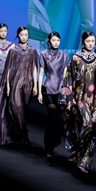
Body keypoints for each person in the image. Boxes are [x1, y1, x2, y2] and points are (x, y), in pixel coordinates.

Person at [59, 31, 96, 173]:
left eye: (93, 41)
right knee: (85, 125)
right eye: (88, 41)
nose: (91, 44)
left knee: (93, 130)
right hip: (80, 98)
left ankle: (85, 162)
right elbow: (69, 78)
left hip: (95, 99)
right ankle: (77, 151)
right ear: (83, 42)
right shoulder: (76, 58)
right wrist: (69, 100)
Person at [0, 27, 38, 146]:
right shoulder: (13, 50)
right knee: (16, 107)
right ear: (18, 35)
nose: (24, 37)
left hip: (28, 82)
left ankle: (22, 134)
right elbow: (9, 69)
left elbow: (34, 68)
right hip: (15, 82)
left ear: (28, 36)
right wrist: (8, 86)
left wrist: (35, 85)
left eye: (26, 35)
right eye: (22, 35)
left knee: (24, 110)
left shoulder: (32, 51)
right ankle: (21, 133)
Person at [37, 31, 70, 159]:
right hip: (48, 88)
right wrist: (39, 92)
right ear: (49, 41)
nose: (56, 42)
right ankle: (49, 147)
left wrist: (67, 91)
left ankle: (56, 140)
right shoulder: (43, 55)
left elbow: (65, 74)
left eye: (58, 40)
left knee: (61, 119)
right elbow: (41, 74)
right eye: (53, 40)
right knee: (52, 118)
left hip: (61, 89)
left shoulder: (64, 55)